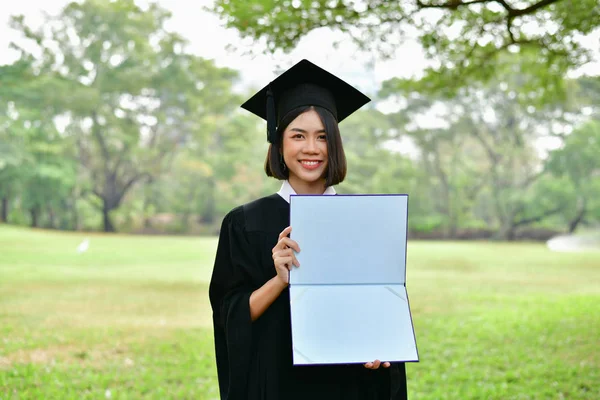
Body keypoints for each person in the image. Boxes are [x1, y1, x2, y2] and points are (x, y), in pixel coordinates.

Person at [209, 59, 408, 400]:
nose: (311, 148)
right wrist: (279, 280)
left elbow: (380, 307)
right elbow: (230, 319)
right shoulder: (244, 223)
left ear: (335, 144)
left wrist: (381, 348)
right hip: (275, 384)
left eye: (322, 137)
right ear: (279, 142)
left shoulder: (364, 220)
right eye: (298, 135)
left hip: (348, 385)